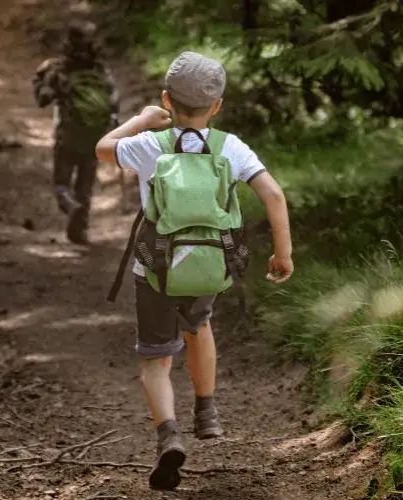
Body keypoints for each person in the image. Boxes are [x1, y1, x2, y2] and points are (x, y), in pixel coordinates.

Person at [94, 51, 295, 490]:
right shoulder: (230, 147)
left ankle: (168, 435)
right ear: (217, 106)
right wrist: (283, 254)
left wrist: (141, 120)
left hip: (156, 269)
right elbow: (274, 195)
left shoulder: (150, 144)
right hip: (209, 265)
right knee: (199, 325)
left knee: (156, 359)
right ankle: (207, 410)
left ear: (167, 100)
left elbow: (103, 149)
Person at [32, 19, 119, 244]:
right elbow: (113, 103)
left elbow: (42, 99)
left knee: (62, 183)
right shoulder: (101, 71)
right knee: (85, 185)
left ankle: (68, 203)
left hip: (67, 136)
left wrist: (46, 83)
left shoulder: (58, 70)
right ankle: (78, 231)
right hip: (94, 137)